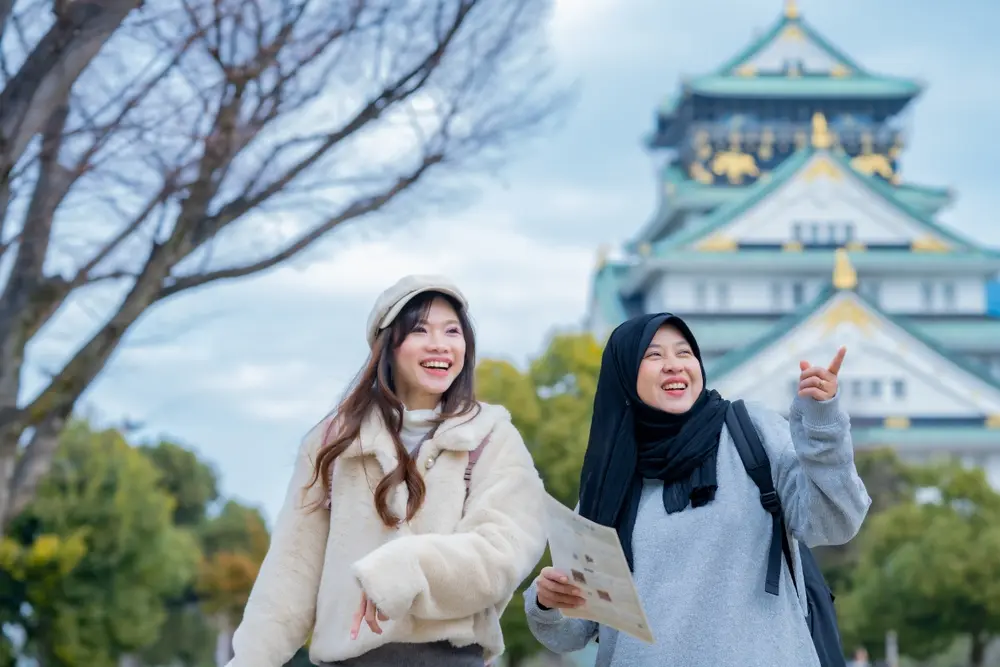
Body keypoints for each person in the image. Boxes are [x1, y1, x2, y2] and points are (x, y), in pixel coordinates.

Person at [227, 275, 547, 667]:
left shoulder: (492, 437)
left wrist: (405, 567)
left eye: (452, 331)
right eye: (419, 330)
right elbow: (290, 575)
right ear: (388, 345)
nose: (440, 344)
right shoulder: (333, 442)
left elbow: (503, 553)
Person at [524, 312, 871, 667]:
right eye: (654, 355)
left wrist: (823, 427)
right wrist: (547, 602)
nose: (674, 365)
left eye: (684, 353)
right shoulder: (608, 480)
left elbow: (835, 521)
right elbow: (576, 630)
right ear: (625, 375)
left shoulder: (751, 433)